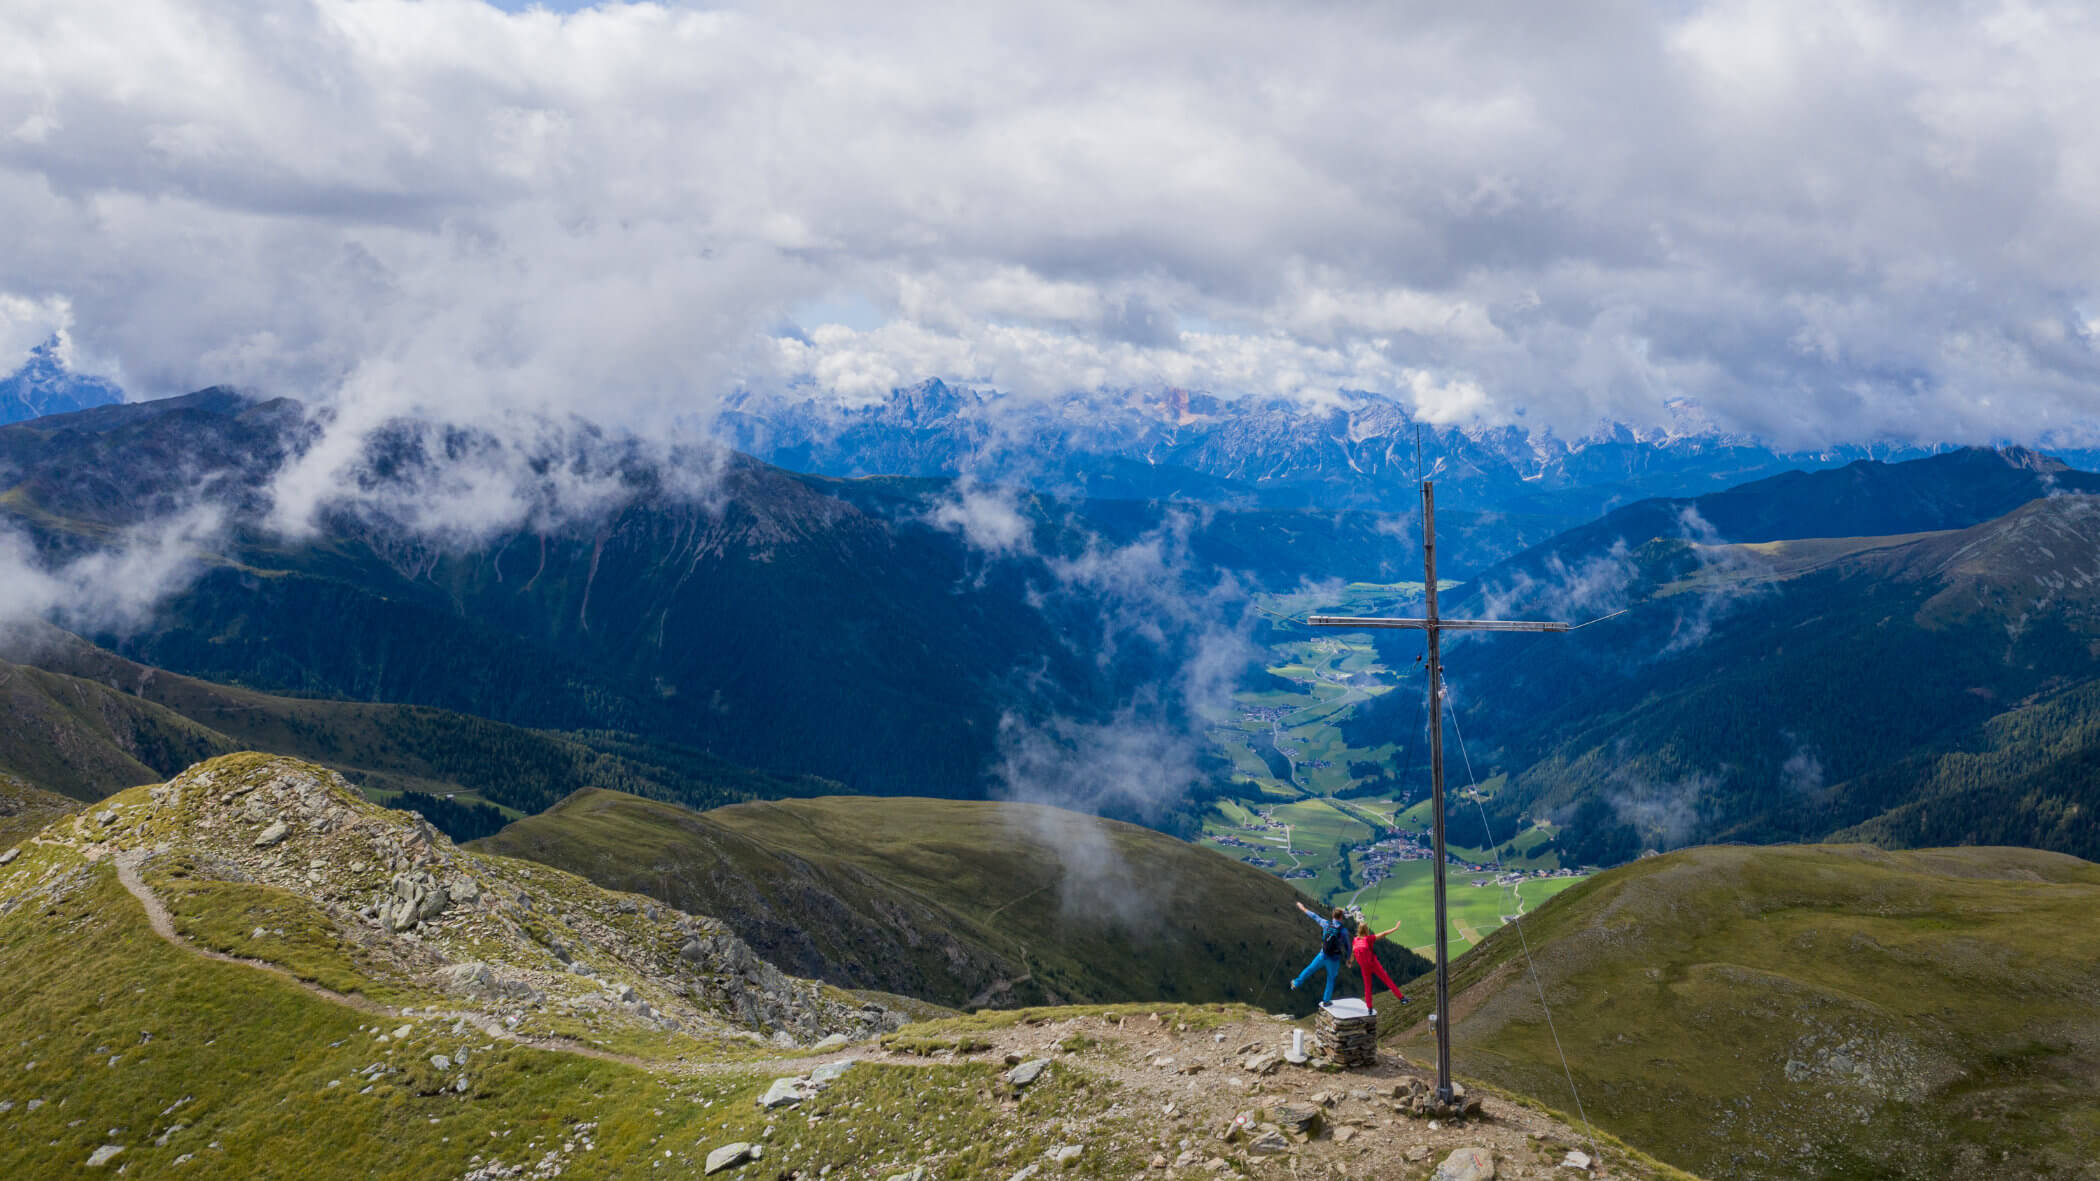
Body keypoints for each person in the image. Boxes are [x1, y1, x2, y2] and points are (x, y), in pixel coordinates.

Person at [1289, 901, 1352, 1003]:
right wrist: (1349, 959)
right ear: (1341, 917)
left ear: (1333, 916)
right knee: (1331, 979)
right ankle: (1326, 1001)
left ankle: (1296, 983)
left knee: (1310, 969)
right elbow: (1348, 947)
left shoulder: (1326, 924)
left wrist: (1303, 908)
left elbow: (1315, 916)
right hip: (1334, 960)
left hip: (1323, 955)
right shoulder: (1343, 931)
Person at [1352, 918, 1408, 1011]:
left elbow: (1353, 952)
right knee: (1387, 980)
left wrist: (1350, 961)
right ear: (1366, 930)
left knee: (1367, 987)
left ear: (1359, 930)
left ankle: (1369, 1008)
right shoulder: (1369, 939)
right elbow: (1383, 934)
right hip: (1374, 964)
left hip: (1364, 967)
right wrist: (1395, 928)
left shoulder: (1355, 940)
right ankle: (1401, 998)